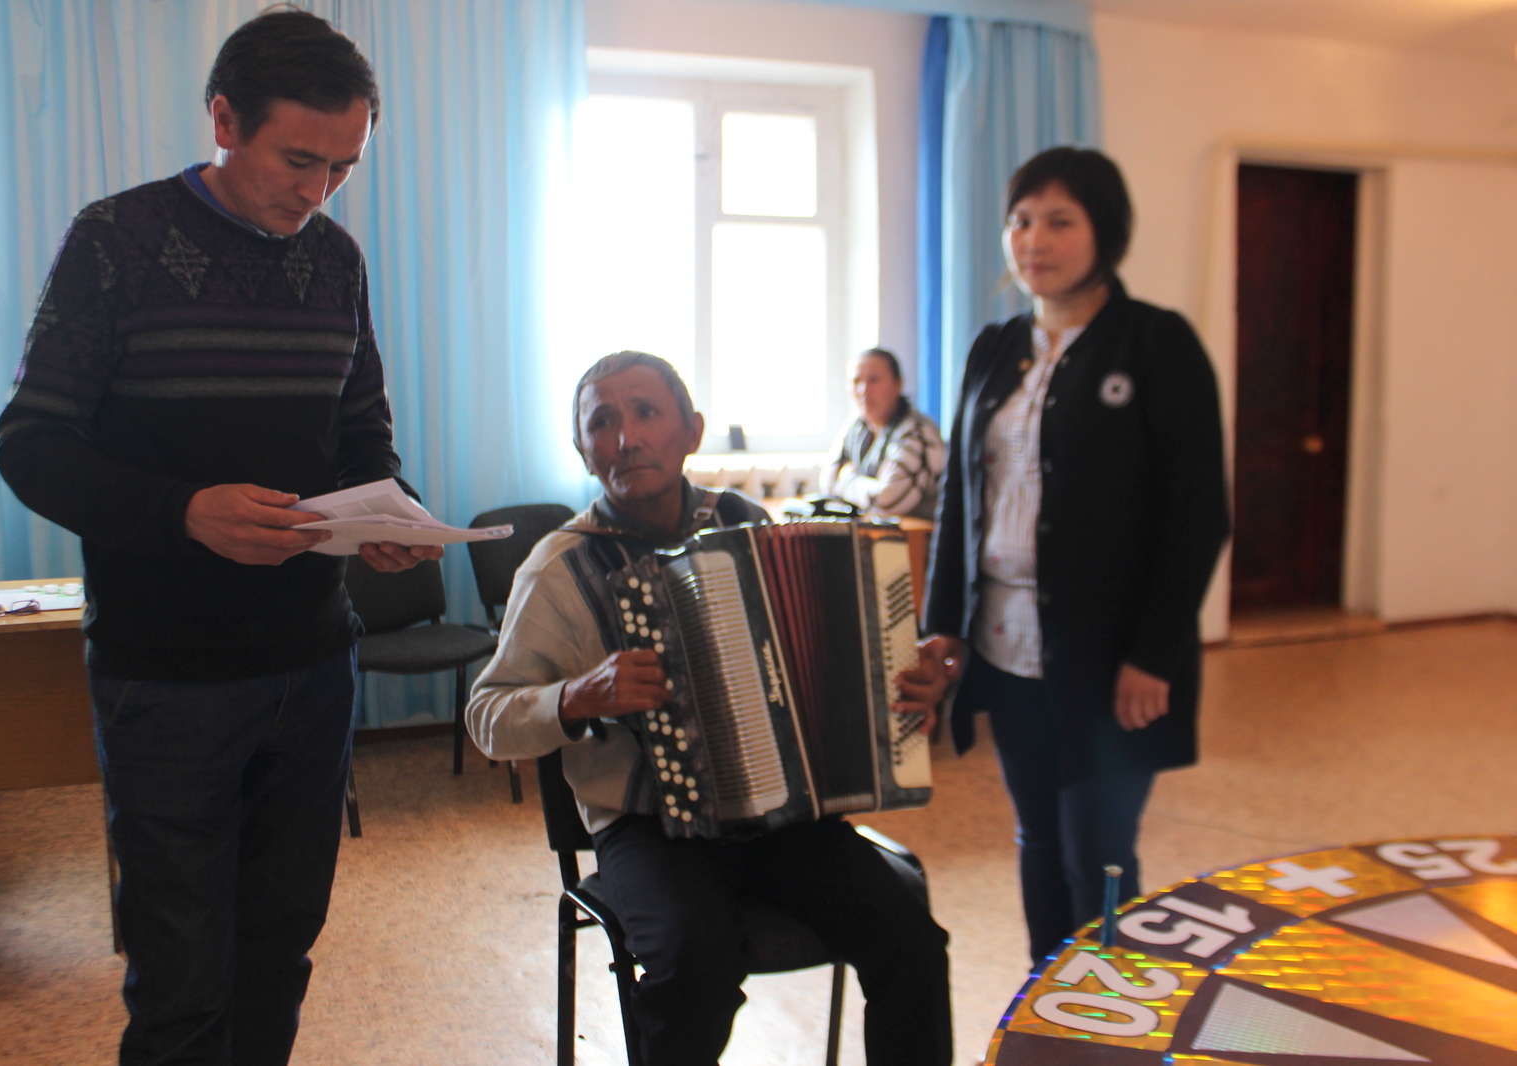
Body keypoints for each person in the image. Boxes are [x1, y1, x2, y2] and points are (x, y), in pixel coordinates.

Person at [0, 11, 441, 1064]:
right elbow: (31, 445)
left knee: (279, 950)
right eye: (298, 159)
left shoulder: (336, 260)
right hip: (168, 679)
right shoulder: (115, 239)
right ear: (224, 118)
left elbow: (359, 438)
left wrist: (393, 515)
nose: (317, 191)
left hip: (310, 664)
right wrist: (183, 511)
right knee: (184, 977)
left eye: (344, 166)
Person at [467, 351, 954, 1066]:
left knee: (912, 941)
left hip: (780, 813)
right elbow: (487, 715)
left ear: (690, 430)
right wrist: (575, 697)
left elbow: (814, 660)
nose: (626, 437)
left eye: (646, 413)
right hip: (645, 825)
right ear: (583, 450)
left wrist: (901, 691)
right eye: (602, 423)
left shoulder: (744, 521)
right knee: (694, 967)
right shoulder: (560, 566)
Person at [922, 147, 1230, 966]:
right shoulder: (994, 348)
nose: (1036, 239)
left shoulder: (1156, 344)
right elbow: (960, 492)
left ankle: (1109, 1023)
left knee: (1095, 849)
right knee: (1035, 838)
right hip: (1006, 649)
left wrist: (1153, 654)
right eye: (1022, 220)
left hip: (1112, 661)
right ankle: (1047, 1017)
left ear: (1106, 232)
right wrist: (944, 624)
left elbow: (1197, 516)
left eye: (1061, 220)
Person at [818, 348, 947, 518]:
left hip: (917, 538)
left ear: (898, 384)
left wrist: (847, 478)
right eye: (856, 381)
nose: (863, 390)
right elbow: (827, 482)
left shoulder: (917, 432)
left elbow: (888, 500)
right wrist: (870, 486)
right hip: (874, 534)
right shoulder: (856, 426)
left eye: (874, 380)